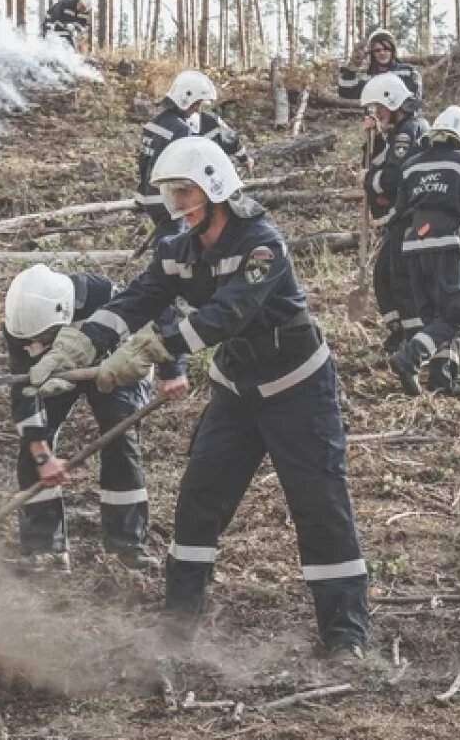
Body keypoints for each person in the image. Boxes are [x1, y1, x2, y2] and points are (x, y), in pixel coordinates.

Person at [26, 137, 370, 658]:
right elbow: (135, 301)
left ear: (215, 189)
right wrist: (78, 344)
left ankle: (345, 634)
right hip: (236, 392)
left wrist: (152, 349)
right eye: (170, 193)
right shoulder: (177, 251)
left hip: (298, 390)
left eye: (184, 192)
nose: (176, 204)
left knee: (319, 506)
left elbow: (226, 315)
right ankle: (177, 623)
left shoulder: (262, 246)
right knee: (198, 503)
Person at [3, 264, 187, 572]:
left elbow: (165, 313)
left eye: (47, 336)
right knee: (32, 447)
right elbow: (24, 391)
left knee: (120, 438)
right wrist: (41, 454)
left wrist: (174, 371)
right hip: (56, 372)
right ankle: (44, 547)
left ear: (63, 313)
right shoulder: (19, 327)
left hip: (117, 365)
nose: (40, 342)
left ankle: (127, 546)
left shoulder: (101, 293)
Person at [389, 106, 460, 396]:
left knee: (434, 317)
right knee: (455, 314)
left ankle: (441, 379)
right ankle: (409, 358)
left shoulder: (410, 165)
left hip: (412, 245)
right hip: (444, 242)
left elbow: (400, 207)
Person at [358, 73, 430, 381]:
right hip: (401, 217)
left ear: (392, 101)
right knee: (384, 275)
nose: (377, 114)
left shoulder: (408, 132)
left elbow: (393, 176)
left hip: (412, 216)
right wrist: (373, 138)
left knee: (400, 278)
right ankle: (399, 331)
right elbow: (378, 164)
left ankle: (414, 342)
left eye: (379, 108)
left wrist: (370, 182)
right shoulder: (397, 132)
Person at [136, 71, 254, 245]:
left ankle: (163, 258)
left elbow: (143, 162)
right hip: (170, 198)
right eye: (196, 104)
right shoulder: (181, 129)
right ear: (184, 99)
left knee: (166, 240)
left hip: (149, 197)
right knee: (175, 244)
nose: (197, 109)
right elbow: (185, 169)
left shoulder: (154, 124)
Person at [337, 28, 423, 106]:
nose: (382, 53)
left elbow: (414, 100)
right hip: (374, 118)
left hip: (403, 118)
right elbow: (345, 92)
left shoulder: (407, 72)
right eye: (377, 50)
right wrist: (353, 66)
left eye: (386, 48)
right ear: (372, 53)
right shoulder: (367, 77)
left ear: (392, 50)